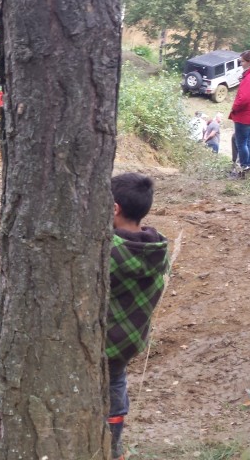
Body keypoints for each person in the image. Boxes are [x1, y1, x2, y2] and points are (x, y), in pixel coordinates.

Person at [105, 172, 171, 460]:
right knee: (115, 384)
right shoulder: (156, 249)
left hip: (101, 341)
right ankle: (114, 448)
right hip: (129, 341)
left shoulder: (108, 252)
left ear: (114, 208)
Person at [229, 50, 250, 171]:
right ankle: (249, 164)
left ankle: (244, 166)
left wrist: (234, 108)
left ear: (249, 62)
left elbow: (245, 97)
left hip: (244, 115)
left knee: (241, 143)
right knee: (248, 142)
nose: (240, 64)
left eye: (242, 62)